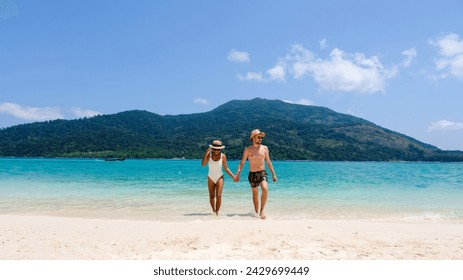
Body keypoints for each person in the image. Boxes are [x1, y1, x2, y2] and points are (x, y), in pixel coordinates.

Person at [235, 129, 277, 219]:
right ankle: (256, 212)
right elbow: (242, 162)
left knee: (265, 189)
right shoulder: (248, 150)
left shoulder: (265, 148)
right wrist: (238, 173)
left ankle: (262, 210)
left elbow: (268, 162)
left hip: (262, 172)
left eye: (261, 137)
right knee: (255, 194)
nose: (260, 139)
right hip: (252, 174)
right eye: (259, 137)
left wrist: (273, 174)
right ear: (253, 138)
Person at [201, 140, 236, 216]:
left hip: (220, 176)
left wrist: (233, 176)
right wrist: (206, 153)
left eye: (218, 149)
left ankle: (217, 212)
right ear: (212, 148)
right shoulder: (209, 155)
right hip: (210, 177)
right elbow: (203, 164)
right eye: (215, 149)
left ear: (220, 149)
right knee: (211, 196)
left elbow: (226, 168)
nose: (217, 151)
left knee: (219, 195)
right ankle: (213, 211)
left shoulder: (223, 156)